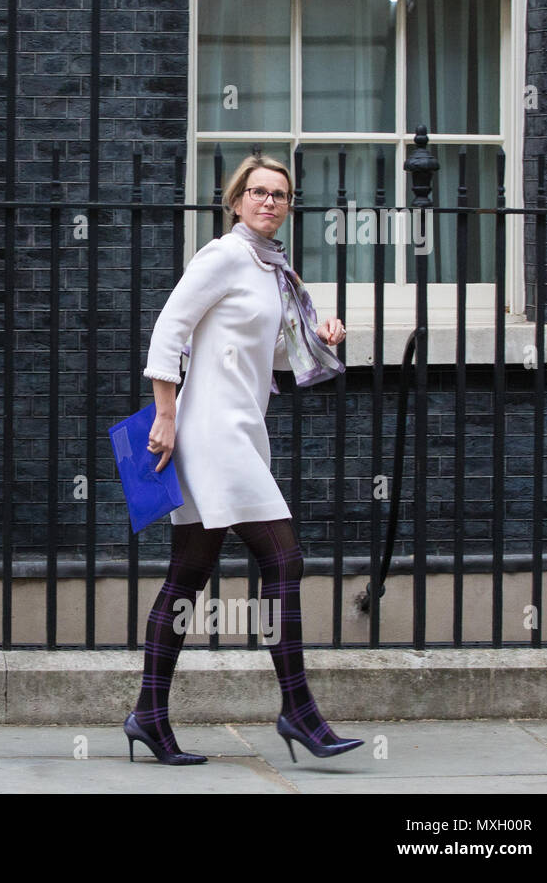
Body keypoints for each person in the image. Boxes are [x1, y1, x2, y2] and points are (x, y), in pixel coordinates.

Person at [124, 154, 363, 766]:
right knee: (284, 557)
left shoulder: (274, 272)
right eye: (257, 192)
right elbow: (167, 330)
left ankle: (149, 715)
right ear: (235, 202)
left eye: (280, 195)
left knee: (188, 576)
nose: (269, 202)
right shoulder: (223, 255)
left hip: (241, 430)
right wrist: (166, 414)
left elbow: (271, 362)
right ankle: (299, 711)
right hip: (208, 433)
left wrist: (321, 336)